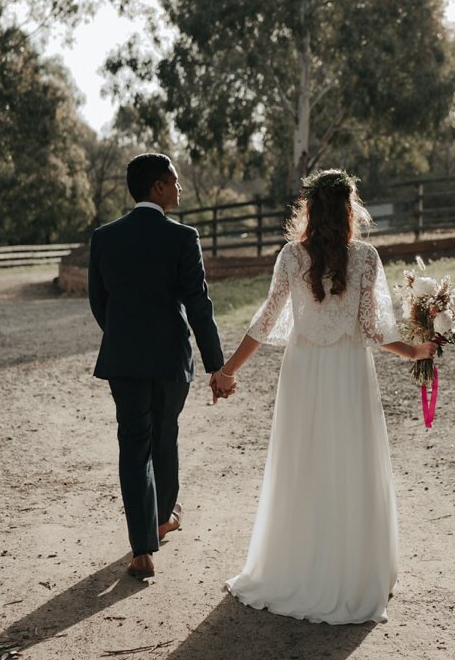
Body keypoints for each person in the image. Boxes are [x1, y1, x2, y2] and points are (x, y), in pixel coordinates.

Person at [214, 169, 435, 623]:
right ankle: (353, 573)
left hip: (304, 373)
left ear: (308, 210)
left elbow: (263, 321)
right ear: (350, 210)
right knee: (350, 462)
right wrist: (415, 350)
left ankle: (295, 566)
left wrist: (228, 372)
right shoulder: (367, 258)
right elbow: (375, 330)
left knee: (304, 463)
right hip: (350, 371)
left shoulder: (291, 257)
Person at [87, 153, 234, 581]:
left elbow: (100, 303)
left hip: (124, 359)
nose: (179, 187)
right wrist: (216, 366)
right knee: (165, 435)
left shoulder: (105, 237)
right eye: (173, 180)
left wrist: (124, 336)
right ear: (157, 187)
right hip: (171, 359)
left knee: (134, 446)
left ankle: (141, 550)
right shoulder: (183, 238)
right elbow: (199, 305)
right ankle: (163, 517)